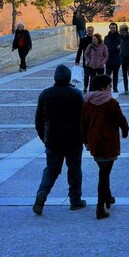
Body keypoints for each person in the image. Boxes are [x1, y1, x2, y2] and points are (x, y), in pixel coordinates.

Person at [32, 65, 86, 215]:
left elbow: (38, 120)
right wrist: (84, 137)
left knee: (51, 169)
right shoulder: (76, 94)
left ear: (55, 78)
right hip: (73, 139)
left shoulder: (45, 94)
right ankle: (75, 200)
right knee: (74, 169)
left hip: (53, 139)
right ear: (69, 78)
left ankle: (42, 193)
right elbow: (83, 119)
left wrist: (44, 138)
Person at [81, 73, 129, 219]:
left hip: (95, 141)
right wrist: (125, 131)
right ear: (103, 87)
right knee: (104, 174)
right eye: (109, 85)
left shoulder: (87, 102)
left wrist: (86, 141)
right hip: (109, 142)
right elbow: (121, 120)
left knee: (104, 170)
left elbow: (83, 124)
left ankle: (108, 197)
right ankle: (100, 207)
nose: (111, 88)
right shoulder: (111, 103)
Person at [74, 26, 95, 91]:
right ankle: (85, 86)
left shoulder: (95, 40)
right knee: (86, 76)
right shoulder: (83, 40)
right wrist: (77, 61)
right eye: (89, 30)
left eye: (91, 31)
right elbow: (79, 51)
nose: (90, 32)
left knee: (93, 76)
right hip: (86, 61)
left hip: (94, 61)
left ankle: (91, 88)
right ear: (87, 31)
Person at [104, 22, 122, 92]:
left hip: (117, 58)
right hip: (108, 59)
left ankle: (115, 87)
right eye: (111, 28)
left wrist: (121, 47)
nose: (112, 29)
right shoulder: (106, 37)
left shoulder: (120, 37)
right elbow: (104, 47)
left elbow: (124, 46)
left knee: (115, 75)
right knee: (107, 75)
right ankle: (107, 88)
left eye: (114, 28)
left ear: (116, 28)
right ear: (109, 28)